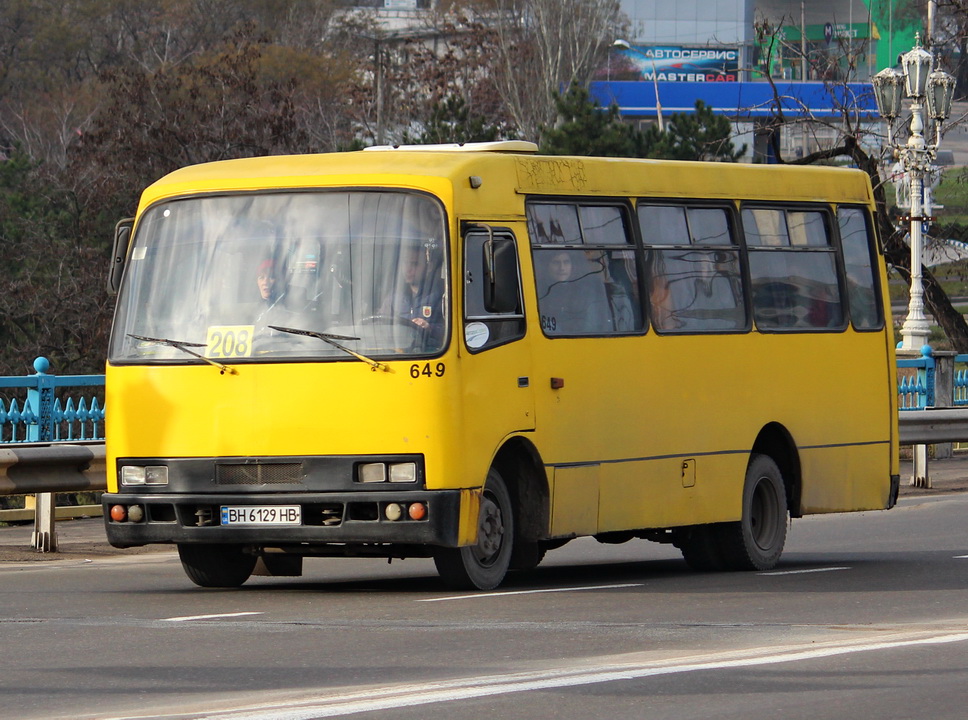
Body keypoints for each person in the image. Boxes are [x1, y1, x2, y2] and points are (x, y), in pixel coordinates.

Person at [537, 250, 611, 334]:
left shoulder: (585, 290)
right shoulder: (539, 289)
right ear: (547, 266)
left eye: (566, 262)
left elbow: (596, 324)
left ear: (572, 265)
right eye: (556, 263)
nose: (562, 268)